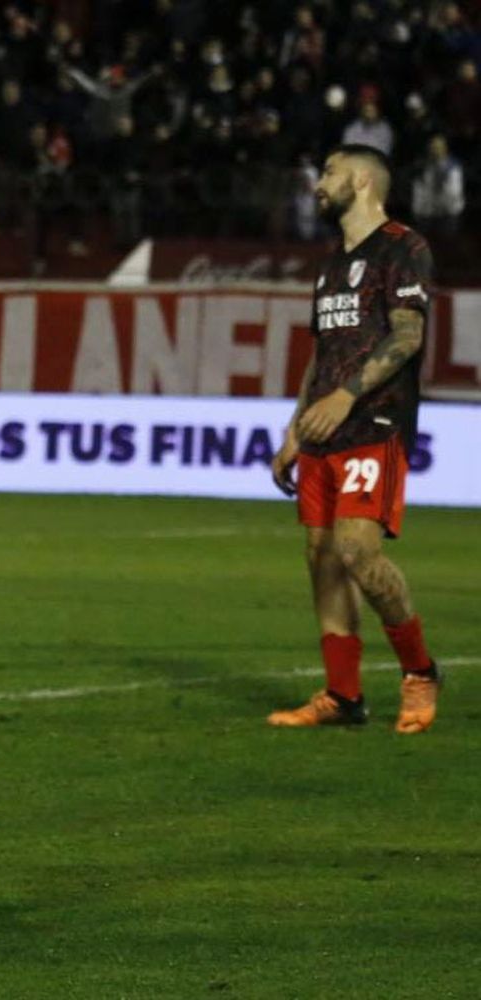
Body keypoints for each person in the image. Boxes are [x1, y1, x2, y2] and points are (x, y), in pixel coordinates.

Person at [269, 144, 441, 733]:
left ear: (363, 180)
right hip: (322, 433)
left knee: (358, 553)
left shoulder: (403, 247)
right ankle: (343, 697)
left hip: (375, 423)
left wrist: (345, 398)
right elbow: (322, 353)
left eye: (332, 172)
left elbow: (407, 336)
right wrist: (296, 428)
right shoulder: (330, 265)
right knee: (321, 557)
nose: (320, 183)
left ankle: (420, 672)